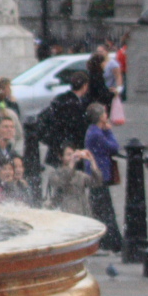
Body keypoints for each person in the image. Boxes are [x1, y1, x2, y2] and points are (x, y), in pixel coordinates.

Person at [81, 102, 124, 251]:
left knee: (103, 207)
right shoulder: (96, 133)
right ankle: (111, 240)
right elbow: (114, 147)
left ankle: (109, 240)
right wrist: (109, 132)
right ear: (100, 117)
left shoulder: (94, 131)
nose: (107, 116)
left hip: (98, 174)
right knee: (104, 208)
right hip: (98, 175)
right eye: (105, 113)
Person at [35, 68, 92, 162]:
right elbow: (78, 131)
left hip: (56, 150)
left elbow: (44, 118)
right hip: (69, 152)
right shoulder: (75, 105)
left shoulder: (60, 99)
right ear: (85, 86)